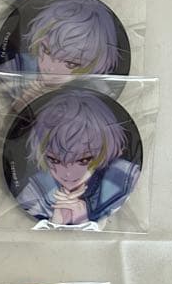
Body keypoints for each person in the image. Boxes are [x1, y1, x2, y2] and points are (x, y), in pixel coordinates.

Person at [17, 89, 140, 225]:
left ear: (105, 150)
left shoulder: (124, 178)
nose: (68, 174)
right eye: (55, 160)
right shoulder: (36, 189)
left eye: (83, 160)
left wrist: (83, 220)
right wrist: (56, 222)